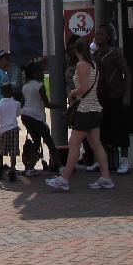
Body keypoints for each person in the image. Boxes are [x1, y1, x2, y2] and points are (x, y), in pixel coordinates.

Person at [47, 38, 114, 191]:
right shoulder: (94, 65)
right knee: (96, 144)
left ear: (76, 50)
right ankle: (106, 177)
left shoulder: (81, 65)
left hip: (84, 110)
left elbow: (83, 88)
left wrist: (72, 93)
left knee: (74, 144)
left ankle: (64, 179)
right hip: (94, 108)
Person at [93, 25, 132, 175]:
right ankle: (105, 161)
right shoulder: (96, 54)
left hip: (117, 96)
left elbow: (127, 73)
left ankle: (124, 161)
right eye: (97, 34)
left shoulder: (114, 53)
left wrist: (127, 95)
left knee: (120, 129)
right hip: (102, 97)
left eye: (101, 34)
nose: (98, 36)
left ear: (109, 37)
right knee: (104, 130)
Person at [19, 62, 58, 176]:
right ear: (34, 73)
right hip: (36, 117)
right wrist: (60, 106)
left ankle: (30, 168)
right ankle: (61, 167)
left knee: (36, 142)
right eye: (40, 71)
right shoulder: (40, 86)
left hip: (25, 116)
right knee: (49, 142)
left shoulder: (25, 86)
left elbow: (22, 103)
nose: (42, 73)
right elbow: (47, 104)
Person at [0, 82, 21, 182]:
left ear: (1, 93)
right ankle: (12, 171)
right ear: (11, 92)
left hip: (2, 130)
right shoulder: (17, 104)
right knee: (13, 152)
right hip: (13, 129)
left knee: (0, 152)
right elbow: (17, 114)